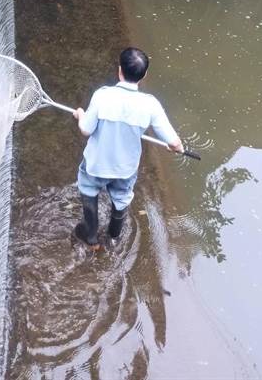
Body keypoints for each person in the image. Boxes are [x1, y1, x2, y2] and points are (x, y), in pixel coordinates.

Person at [72, 47, 184, 249]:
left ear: (119, 70)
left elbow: (86, 130)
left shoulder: (102, 96)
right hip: (125, 169)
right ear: (144, 75)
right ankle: (113, 238)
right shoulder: (150, 104)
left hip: (96, 165)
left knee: (88, 189)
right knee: (121, 199)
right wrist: (177, 148)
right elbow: (174, 142)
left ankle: (91, 238)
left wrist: (81, 115)